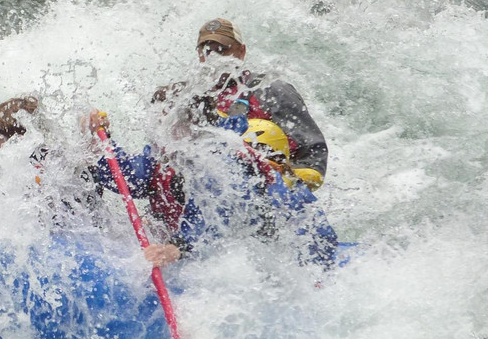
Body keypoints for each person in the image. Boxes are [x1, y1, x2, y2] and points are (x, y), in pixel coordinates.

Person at [89, 92, 338, 270]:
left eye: (164, 122)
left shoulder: (222, 160)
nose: (156, 131)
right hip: (201, 243)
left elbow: (217, 212)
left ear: (191, 127)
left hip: (295, 251)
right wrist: (100, 138)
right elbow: (126, 176)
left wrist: (177, 248)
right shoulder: (165, 156)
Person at [193, 17, 329, 189]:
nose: (214, 59)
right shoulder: (192, 97)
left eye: (222, 50)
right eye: (207, 52)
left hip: (268, 190)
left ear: (241, 52)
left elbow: (314, 156)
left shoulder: (271, 90)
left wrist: (282, 176)